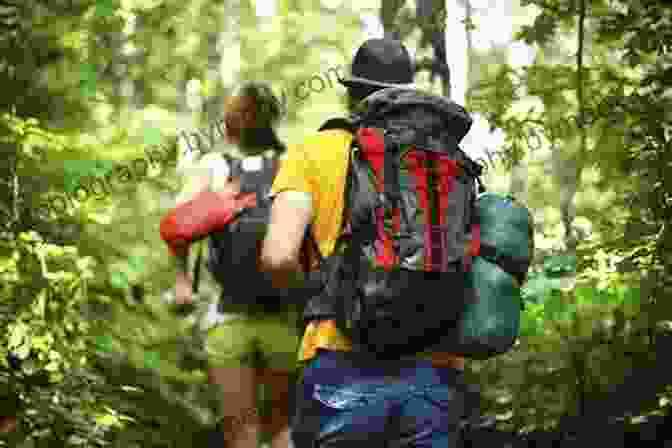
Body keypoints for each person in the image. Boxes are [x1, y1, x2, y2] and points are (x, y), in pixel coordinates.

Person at [260, 38, 477, 447]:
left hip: (341, 356)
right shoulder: (445, 156)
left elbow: (277, 256)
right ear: (407, 91)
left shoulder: (314, 151)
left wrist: (321, 295)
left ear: (351, 93)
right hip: (434, 363)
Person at [173, 81, 298, 448]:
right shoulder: (291, 164)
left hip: (228, 315)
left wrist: (183, 282)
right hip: (285, 314)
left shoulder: (215, 167)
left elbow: (178, 225)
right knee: (281, 427)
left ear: (231, 124)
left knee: (240, 427)